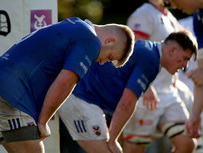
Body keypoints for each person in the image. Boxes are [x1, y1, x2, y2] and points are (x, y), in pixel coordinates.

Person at [0, 17, 135, 153]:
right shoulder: (90, 40)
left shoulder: (76, 24)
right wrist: (42, 122)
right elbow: (65, 83)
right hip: (9, 92)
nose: (102, 62)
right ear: (110, 40)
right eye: (109, 57)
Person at [57, 30, 198, 153]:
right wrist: (113, 140)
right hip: (80, 98)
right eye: (185, 59)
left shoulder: (150, 53)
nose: (185, 66)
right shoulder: (150, 59)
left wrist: (113, 138)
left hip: (87, 100)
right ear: (172, 50)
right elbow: (127, 103)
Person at [123, 0, 197, 152]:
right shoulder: (143, 14)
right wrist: (145, 86)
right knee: (134, 149)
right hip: (147, 93)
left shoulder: (170, 18)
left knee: (187, 144)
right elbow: (133, 52)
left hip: (169, 94)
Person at [166, 0, 203, 138]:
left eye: (173, 0)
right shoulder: (198, 18)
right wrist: (195, 114)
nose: (173, 6)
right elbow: (200, 74)